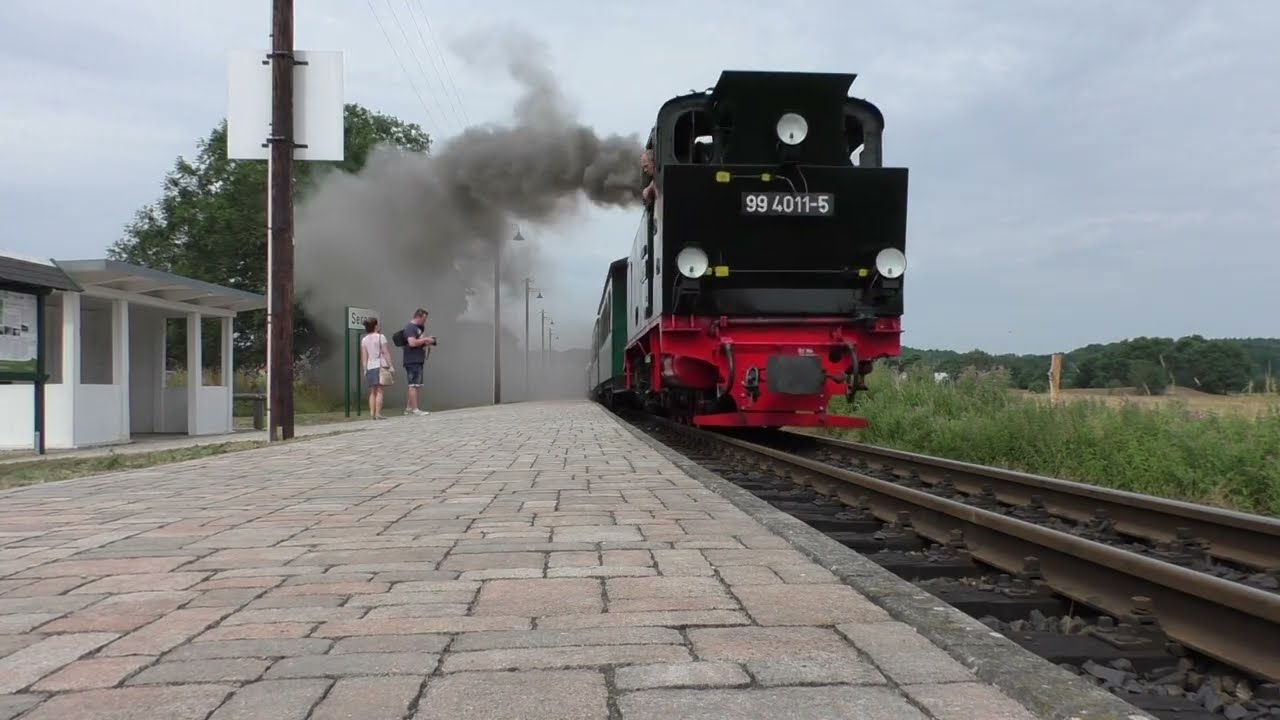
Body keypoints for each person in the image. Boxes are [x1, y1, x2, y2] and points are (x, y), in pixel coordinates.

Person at [401, 308, 436, 416]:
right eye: (424, 319)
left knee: (417, 384)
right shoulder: (410, 328)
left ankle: (409, 408)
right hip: (412, 360)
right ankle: (415, 409)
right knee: (413, 385)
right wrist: (426, 340)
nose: (425, 321)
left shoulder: (419, 328)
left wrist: (428, 342)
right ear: (418, 317)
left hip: (418, 359)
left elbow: (419, 342)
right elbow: (412, 343)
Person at [359, 317, 390, 420]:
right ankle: (378, 413)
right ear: (376, 326)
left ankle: (372, 413)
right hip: (380, 365)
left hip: (370, 366)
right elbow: (385, 352)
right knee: (380, 391)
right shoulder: (381, 337)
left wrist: (365, 369)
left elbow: (364, 355)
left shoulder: (364, 339)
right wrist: (390, 365)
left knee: (372, 391)